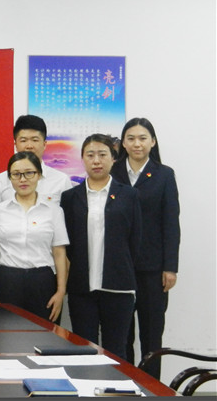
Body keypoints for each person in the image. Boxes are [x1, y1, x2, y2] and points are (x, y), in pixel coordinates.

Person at [60, 134, 142, 360]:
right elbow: (67, 243)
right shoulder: (70, 197)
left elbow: (135, 241)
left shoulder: (129, 195)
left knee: (116, 351)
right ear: (83, 159)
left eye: (102, 154)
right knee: (84, 350)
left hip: (119, 288)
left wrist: (120, 266)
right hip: (82, 289)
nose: (96, 160)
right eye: (90, 155)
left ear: (113, 158)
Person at [110, 117, 180, 379]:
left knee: (151, 335)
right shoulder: (112, 172)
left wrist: (170, 267)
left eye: (142, 138)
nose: (137, 144)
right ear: (123, 143)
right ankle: (124, 386)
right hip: (119, 268)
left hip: (153, 270)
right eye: (131, 138)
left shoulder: (164, 175)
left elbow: (171, 224)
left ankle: (152, 388)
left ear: (153, 142)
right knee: (121, 335)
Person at [0, 151, 69, 322]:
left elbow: (60, 253)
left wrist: (60, 292)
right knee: (6, 335)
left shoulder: (54, 211)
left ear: (39, 175)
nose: (22, 179)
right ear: (10, 178)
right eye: (16, 174)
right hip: (7, 280)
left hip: (43, 281)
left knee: (44, 334)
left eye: (29, 173)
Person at [0, 115, 72, 209]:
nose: (29, 146)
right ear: (15, 145)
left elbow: (68, 215)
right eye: (23, 140)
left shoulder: (61, 180)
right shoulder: (1, 180)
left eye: (35, 140)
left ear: (44, 144)